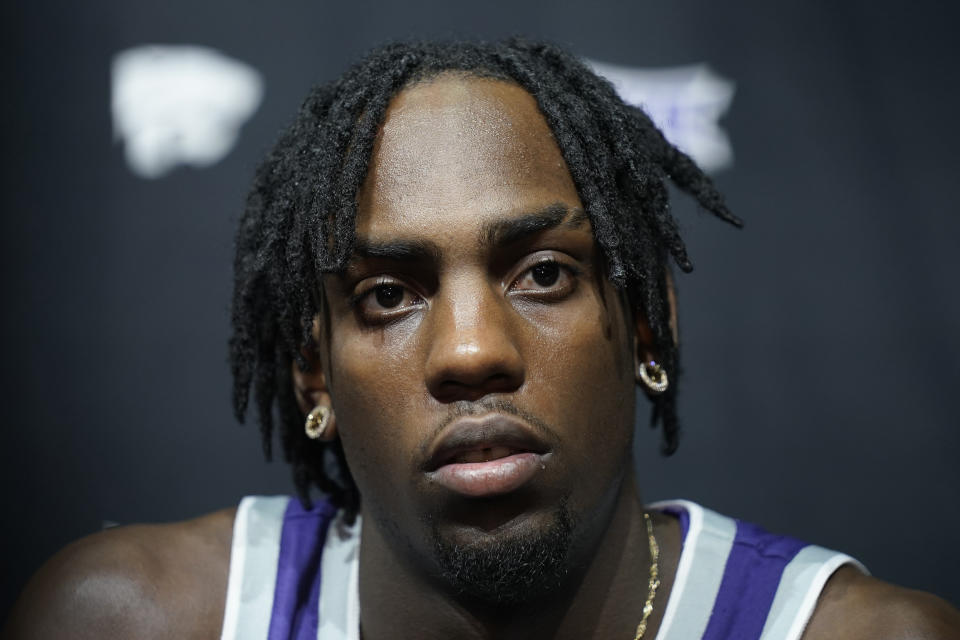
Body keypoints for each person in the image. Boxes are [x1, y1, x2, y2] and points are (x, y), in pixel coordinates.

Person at [5, 38, 959, 640]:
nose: (470, 351)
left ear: (645, 323)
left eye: (543, 273)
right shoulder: (134, 620)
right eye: (387, 293)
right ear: (313, 375)